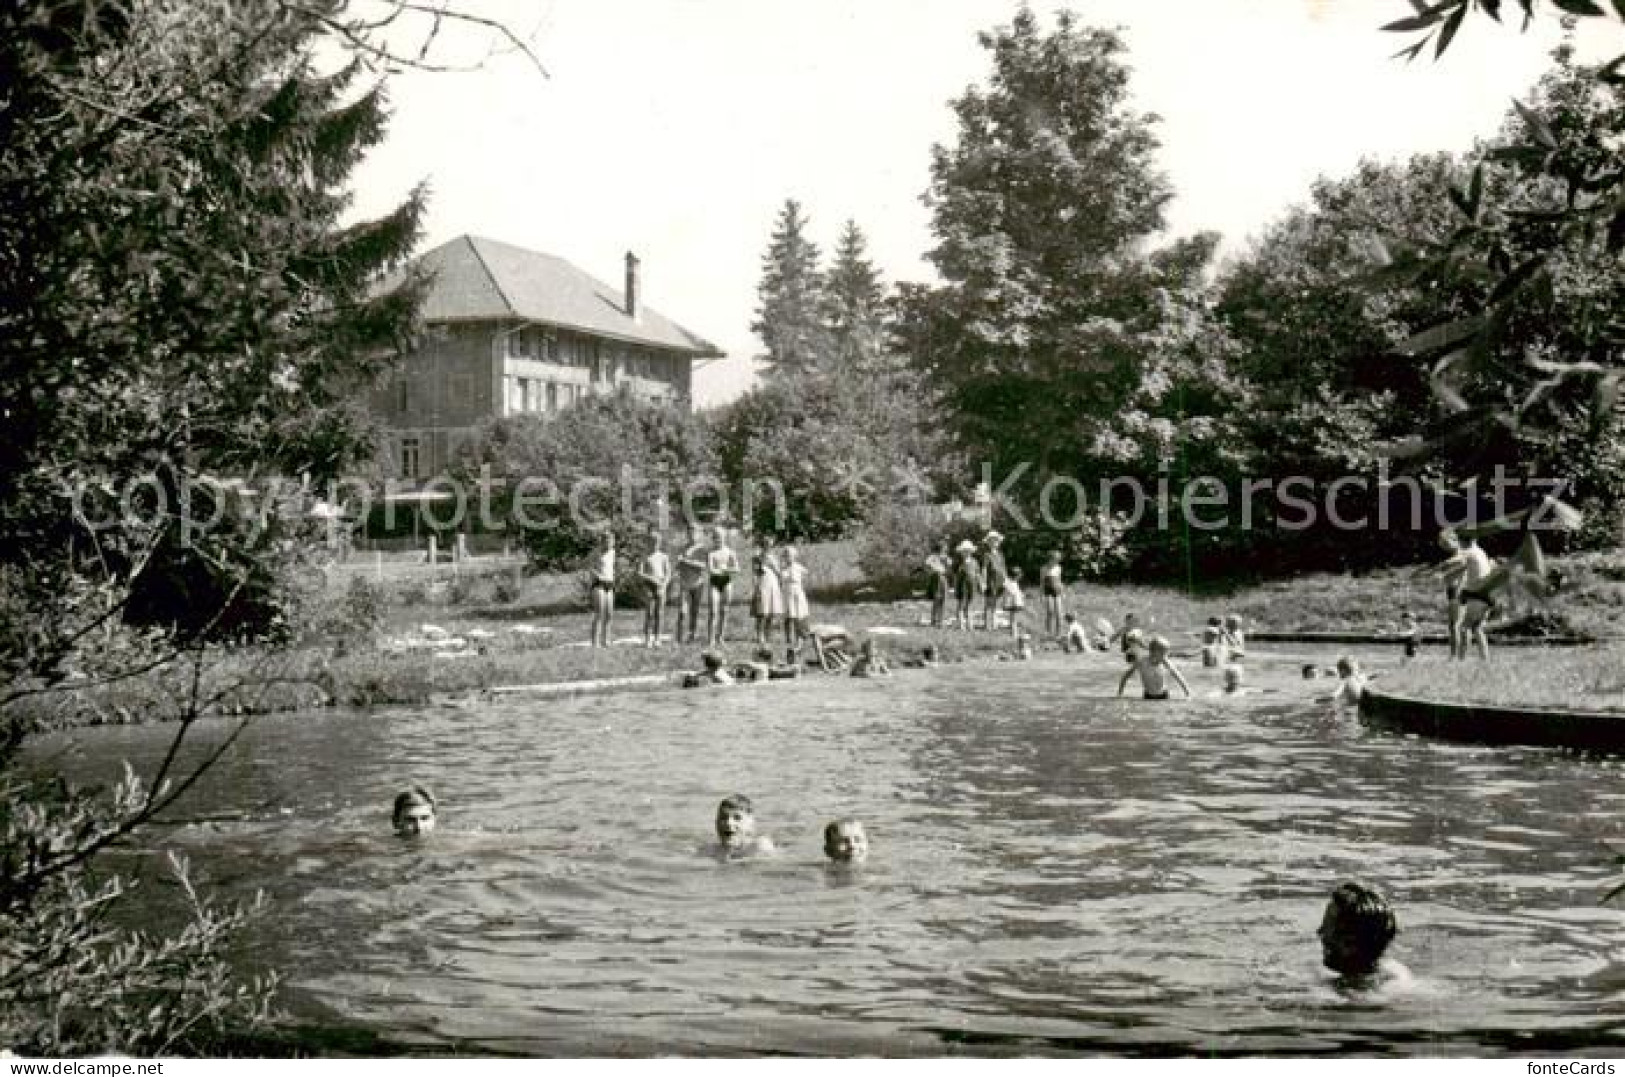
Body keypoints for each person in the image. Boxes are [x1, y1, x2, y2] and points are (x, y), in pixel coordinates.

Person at [1317, 881, 1409, 989]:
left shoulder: (1339, 994)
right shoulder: (1396, 972)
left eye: (1328, 925)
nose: (1319, 932)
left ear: (1349, 942)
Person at [1117, 635, 1191, 700]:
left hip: (1163, 695)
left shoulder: (1165, 663)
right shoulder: (1142, 662)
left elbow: (1178, 677)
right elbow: (1126, 676)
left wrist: (1187, 694)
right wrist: (1120, 693)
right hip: (1148, 695)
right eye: (1163, 653)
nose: (1166, 656)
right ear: (1153, 652)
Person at [673, 527, 710, 645]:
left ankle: (692, 635)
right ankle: (679, 638)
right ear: (687, 534)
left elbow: (703, 566)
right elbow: (677, 565)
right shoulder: (683, 548)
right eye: (690, 533)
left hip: (698, 584)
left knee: (695, 611)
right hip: (684, 584)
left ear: (699, 535)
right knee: (682, 611)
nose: (692, 535)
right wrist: (679, 564)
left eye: (695, 533)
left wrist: (686, 562)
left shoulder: (703, 549)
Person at [705, 525, 741, 647]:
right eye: (715, 537)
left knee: (724, 610)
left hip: (726, 581)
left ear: (724, 537)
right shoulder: (711, 553)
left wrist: (726, 569)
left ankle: (720, 637)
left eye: (719, 537)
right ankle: (711, 639)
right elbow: (710, 570)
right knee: (713, 612)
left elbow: (737, 568)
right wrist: (720, 570)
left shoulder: (730, 552)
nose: (717, 539)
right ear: (713, 538)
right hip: (714, 582)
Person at [639, 531, 671, 648]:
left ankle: (657, 638)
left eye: (657, 542)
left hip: (661, 586)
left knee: (660, 613)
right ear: (648, 542)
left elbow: (668, 573)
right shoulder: (645, 555)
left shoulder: (664, 556)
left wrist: (664, 585)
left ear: (660, 543)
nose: (654, 544)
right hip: (649, 586)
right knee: (650, 612)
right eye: (652, 541)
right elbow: (640, 573)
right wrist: (651, 578)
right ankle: (647, 638)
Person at [750, 539, 783, 647]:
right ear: (762, 546)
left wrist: (774, 565)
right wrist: (755, 587)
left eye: (770, 546)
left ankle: (767, 635)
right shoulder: (757, 557)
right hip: (762, 584)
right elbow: (755, 573)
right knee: (762, 612)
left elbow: (779, 573)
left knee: (771, 612)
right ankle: (760, 636)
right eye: (766, 545)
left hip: (773, 585)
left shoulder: (774, 558)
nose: (768, 547)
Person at [588, 530, 615, 649]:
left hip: (610, 584)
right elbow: (588, 565)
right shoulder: (596, 552)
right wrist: (597, 575)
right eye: (605, 540)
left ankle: (606, 640)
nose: (608, 542)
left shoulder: (613, 552)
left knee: (609, 614)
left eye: (610, 540)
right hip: (599, 584)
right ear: (602, 541)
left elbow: (611, 567)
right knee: (599, 613)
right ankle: (595, 642)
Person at [780, 546, 810, 653]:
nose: (789, 558)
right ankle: (789, 642)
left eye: (791, 556)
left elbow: (806, 573)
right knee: (788, 618)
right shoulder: (783, 568)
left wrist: (800, 586)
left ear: (794, 557)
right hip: (787, 594)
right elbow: (781, 579)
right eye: (786, 556)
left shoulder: (798, 567)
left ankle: (799, 642)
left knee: (798, 617)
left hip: (797, 593)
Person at [981, 531, 1008, 632]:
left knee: (995, 603)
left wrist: (1006, 580)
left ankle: (994, 624)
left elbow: (1004, 568)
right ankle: (987, 625)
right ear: (988, 543)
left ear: (998, 542)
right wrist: (983, 582)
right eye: (992, 541)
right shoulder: (987, 555)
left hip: (999, 581)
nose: (994, 542)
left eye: (996, 540)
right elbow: (984, 569)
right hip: (990, 581)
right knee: (989, 603)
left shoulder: (1001, 555)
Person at [952, 540, 982, 631]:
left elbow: (977, 574)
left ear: (971, 552)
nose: (966, 553)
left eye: (968, 551)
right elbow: (956, 576)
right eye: (964, 551)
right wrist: (955, 587)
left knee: (970, 605)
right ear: (961, 552)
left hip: (972, 586)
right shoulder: (959, 563)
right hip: (962, 586)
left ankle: (970, 624)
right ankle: (961, 625)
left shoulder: (975, 562)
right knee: (961, 605)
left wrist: (981, 583)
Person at [924, 539, 951, 629]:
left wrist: (946, 562)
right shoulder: (933, 556)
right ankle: (934, 620)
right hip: (936, 577)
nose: (944, 549)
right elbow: (927, 563)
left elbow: (950, 565)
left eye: (945, 547)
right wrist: (933, 567)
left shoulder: (946, 557)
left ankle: (941, 620)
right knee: (937, 599)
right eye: (943, 547)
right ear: (939, 548)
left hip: (943, 577)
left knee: (943, 599)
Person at [1039, 549, 1065, 639]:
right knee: (1050, 612)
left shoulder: (1058, 568)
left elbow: (1059, 581)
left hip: (1057, 591)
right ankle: (1048, 632)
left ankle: (1059, 633)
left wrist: (1062, 592)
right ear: (1050, 559)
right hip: (1047, 592)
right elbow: (1042, 582)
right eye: (1055, 559)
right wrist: (1041, 595)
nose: (1056, 562)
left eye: (1058, 560)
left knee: (1059, 613)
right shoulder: (1043, 568)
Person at [1000, 566, 1026, 639]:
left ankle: (1014, 634)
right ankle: (1014, 635)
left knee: (1014, 619)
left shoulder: (1013, 582)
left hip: (1015, 602)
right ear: (1015, 575)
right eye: (1019, 575)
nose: (1020, 577)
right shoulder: (1008, 582)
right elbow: (1011, 592)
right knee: (1013, 620)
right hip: (1013, 603)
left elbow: (1016, 592)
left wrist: (1021, 594)